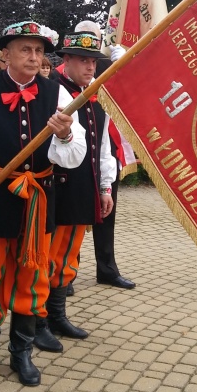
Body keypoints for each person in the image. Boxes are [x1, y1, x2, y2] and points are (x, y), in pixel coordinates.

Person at [0, 20, 85, 388]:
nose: (33, 57)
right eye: (25, 50)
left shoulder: (58, 94)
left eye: (39, 51)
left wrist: (63, 135)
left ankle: (21, 353)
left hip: (37, 203)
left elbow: (74, 156)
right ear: (7, 54)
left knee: (32, 278)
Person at [33, 31, 117, 352]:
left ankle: (57, 314)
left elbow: (104, 145)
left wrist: (106, 186)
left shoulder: (95, 94)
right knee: (47, 256)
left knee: (68, 254)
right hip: (56, 187)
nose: (90, 66)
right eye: (82, 59)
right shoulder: (50, 91)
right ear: (65, 60)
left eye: (93, 61)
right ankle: (38, 320)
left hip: (86, 186)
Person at [66, 20, 136, 291]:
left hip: (104, 153)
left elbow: (132, 87)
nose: (91, 59)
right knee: (71, 219)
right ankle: (67, 272)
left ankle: (107, 268)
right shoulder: (62, 77)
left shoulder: (105, 67)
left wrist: (126, 60)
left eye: (98, 41)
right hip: (70, 163)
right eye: (86, 42)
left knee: (106, 213)